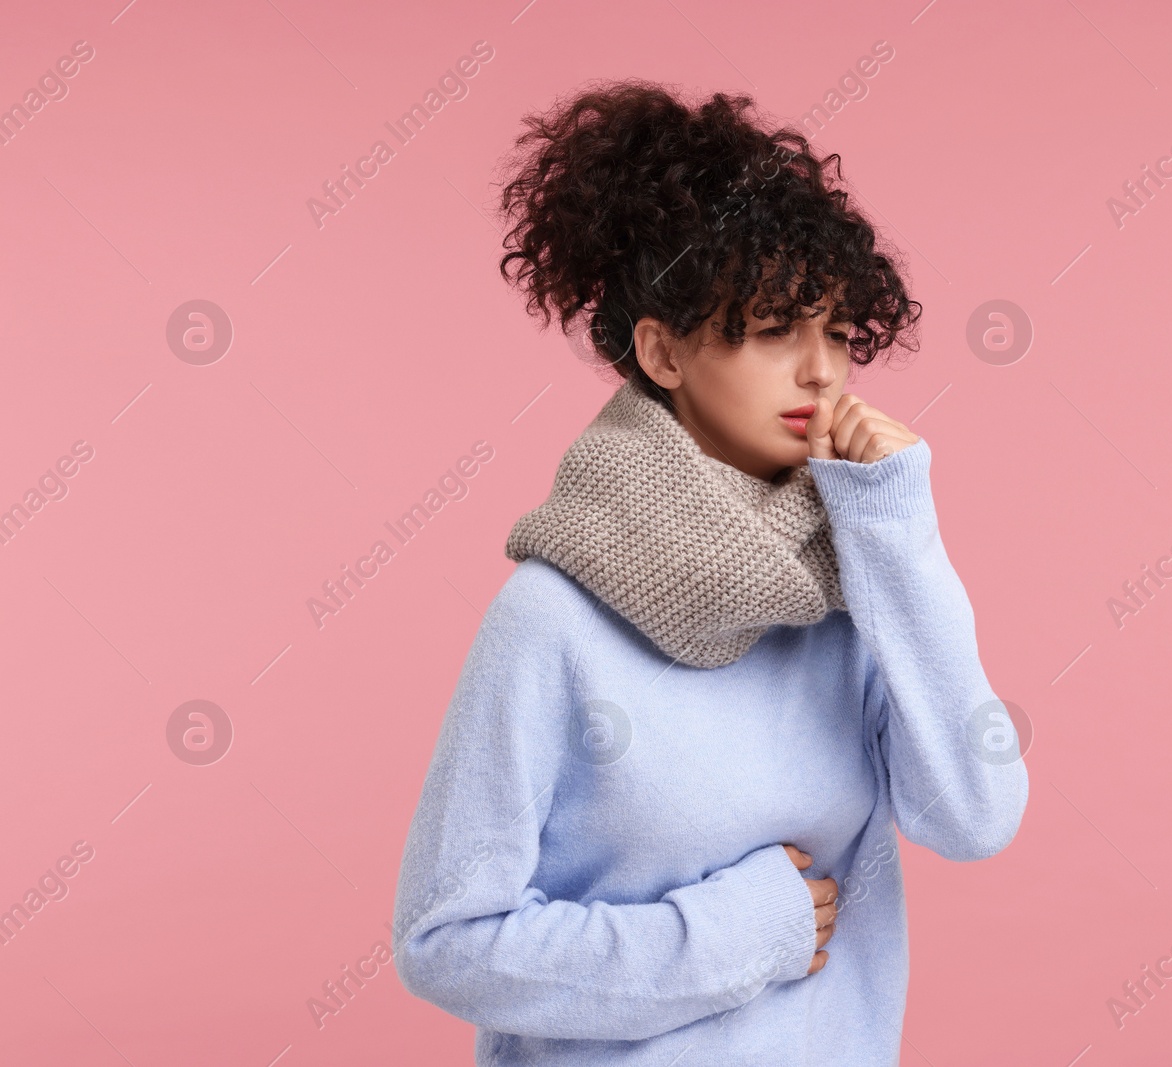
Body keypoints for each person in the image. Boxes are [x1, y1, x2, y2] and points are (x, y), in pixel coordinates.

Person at [391, 78, 1028, 1066]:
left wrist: (896, 530)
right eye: (777, 330)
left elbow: (975, 814)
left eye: (838, 332)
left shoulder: (853, 593)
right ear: (663, 351)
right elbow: (446, 940)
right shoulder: (551, 617)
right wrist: (727, 937)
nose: (821, 371)